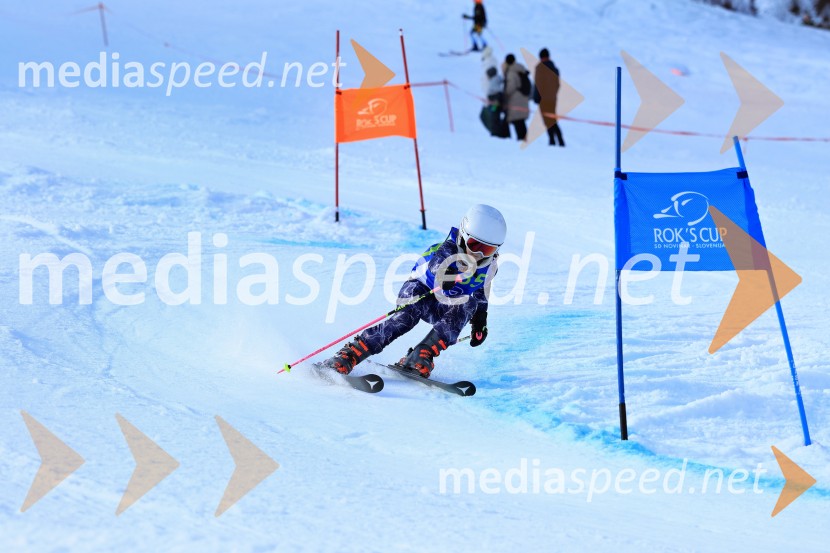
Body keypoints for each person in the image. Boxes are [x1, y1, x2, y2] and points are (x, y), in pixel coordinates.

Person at [325, 205, 507, 378]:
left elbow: (481, 292)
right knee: (405, 318)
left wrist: (480, 319)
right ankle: (352, 353)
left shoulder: (490, 267)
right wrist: (446, 274)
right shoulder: (449, 248)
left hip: (443, 304)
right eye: (475, 245)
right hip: (418, 292)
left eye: (488, 249)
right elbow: (437, 264)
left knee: (470, 303)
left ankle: (421, 355)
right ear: (463, 235)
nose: (480, 255)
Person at [533, 48, 565, 147]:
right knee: (552, 119)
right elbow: (557, 85)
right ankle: (559, 140)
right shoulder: (554, 68)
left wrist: (536, 97)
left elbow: (538, 84)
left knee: (548, 121)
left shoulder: (540, 68)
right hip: (552, 99)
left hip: (543, 100)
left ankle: (552, 140)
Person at [479, 46, 508, 138]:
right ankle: (497, 132)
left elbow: (487, 81)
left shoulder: (489, 63)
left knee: (493, 115)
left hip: (493, 96)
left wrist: (487, 96)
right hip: (493, 96)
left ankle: (496, 133)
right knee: (492, 114)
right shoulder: (491, 62)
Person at [502, 54, 530, 141]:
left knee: (517, 122)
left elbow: (510, 88)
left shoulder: (511, 72)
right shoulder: (520, 69)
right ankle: (525, 139)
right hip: (523, 99)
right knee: (521, 122)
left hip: (515, 100)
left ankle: (521, 140)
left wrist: (504, 93)